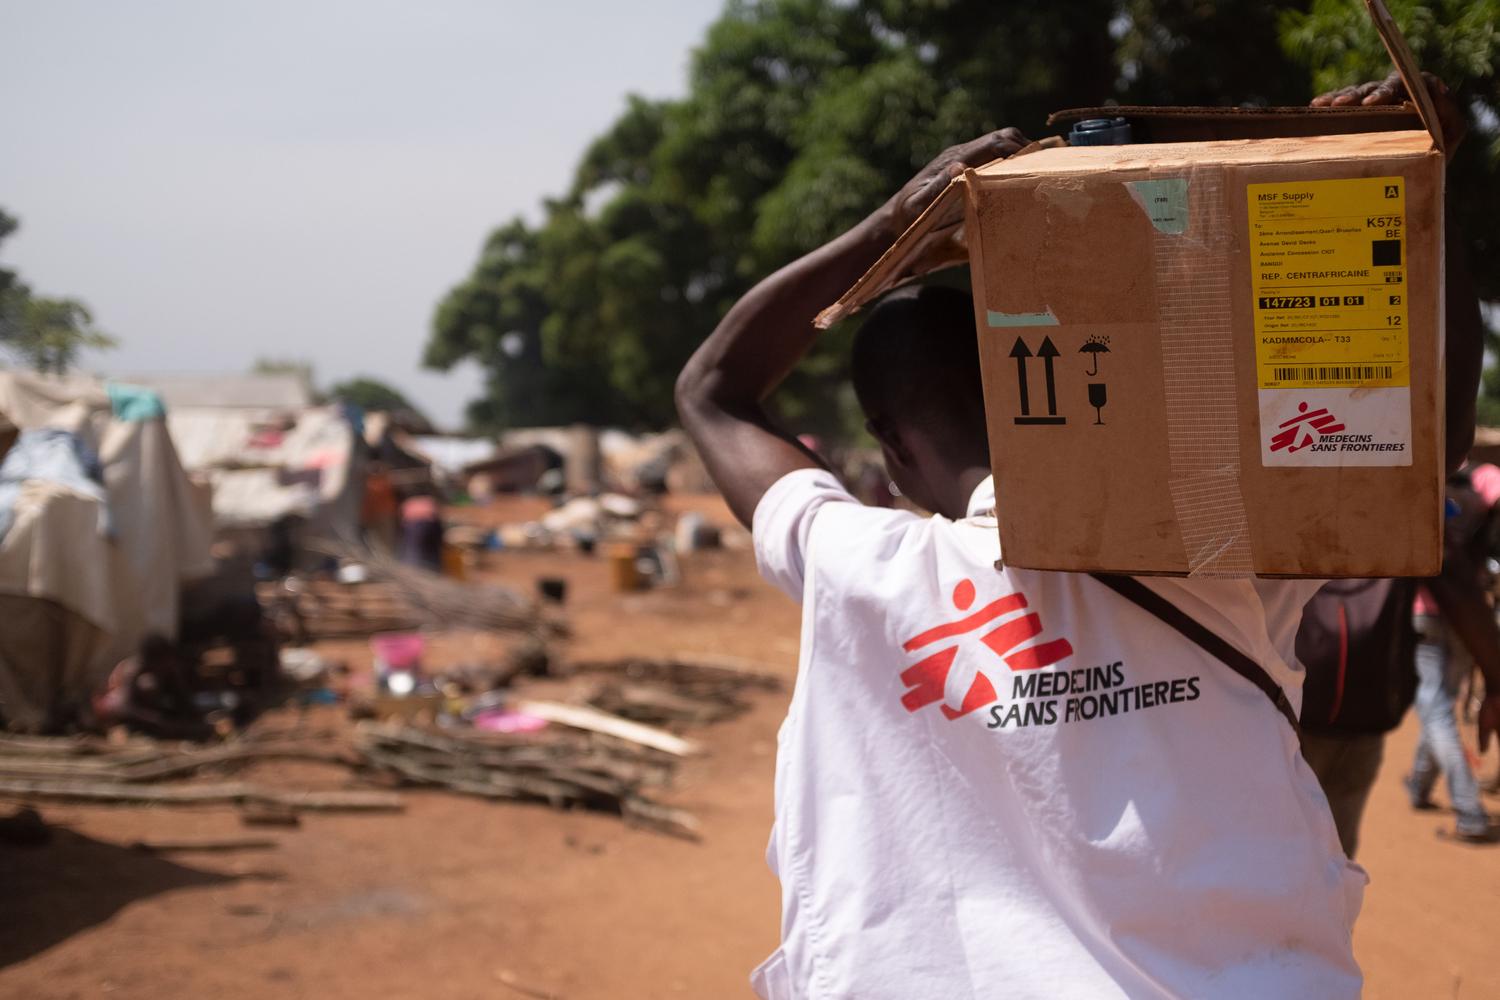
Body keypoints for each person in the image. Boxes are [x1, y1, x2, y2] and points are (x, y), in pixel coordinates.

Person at [679, 130, 1369, 996]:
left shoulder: (860, 568)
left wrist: (889, 230)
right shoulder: (1212, 542)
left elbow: (712, 388)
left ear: (890, 442)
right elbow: (1419, 426)